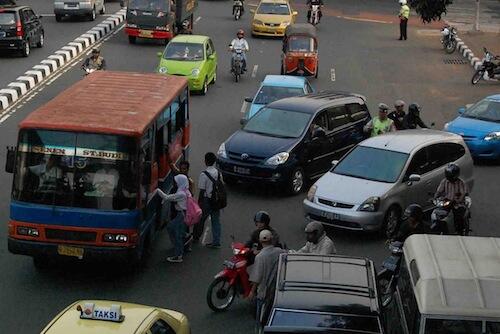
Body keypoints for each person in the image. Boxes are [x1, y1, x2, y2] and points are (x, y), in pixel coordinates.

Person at [248, 230, 286, 327]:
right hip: (276, 288)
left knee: (261, 317)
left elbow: (257, 277)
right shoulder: (279, 251)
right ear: (271, 239)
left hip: (264, 291)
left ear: (260, 241)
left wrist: (252, 292)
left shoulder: (260, 257)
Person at [153, 174, 190, 263]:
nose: (175, 183)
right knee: (173, 229)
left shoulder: (181, 193)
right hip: (182, 214)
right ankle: (185, 238)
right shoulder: (185, 190)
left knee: (175, 232)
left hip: (181, 215)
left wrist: (157, 190)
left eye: (177, 181)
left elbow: (167, 197)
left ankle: (178, 255)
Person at [194, 152, 222, 248]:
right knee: (215, 221)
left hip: (206, 200)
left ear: (205, 161)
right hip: (216, 200)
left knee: (200, 219)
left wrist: (199, 203)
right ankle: (216, 241)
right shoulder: (217, 173)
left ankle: (196, 236)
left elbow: (202, 190)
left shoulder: (204, 174)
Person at [434, 164, 469, 234]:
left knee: (458, 216)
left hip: (457, 204)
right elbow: (439, 191)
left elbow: (463, 194)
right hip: (447, 202)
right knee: (437, 212)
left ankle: (459, 231)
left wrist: (458, 200)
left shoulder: (461, 183)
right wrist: (435, 198)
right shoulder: (444, 181)